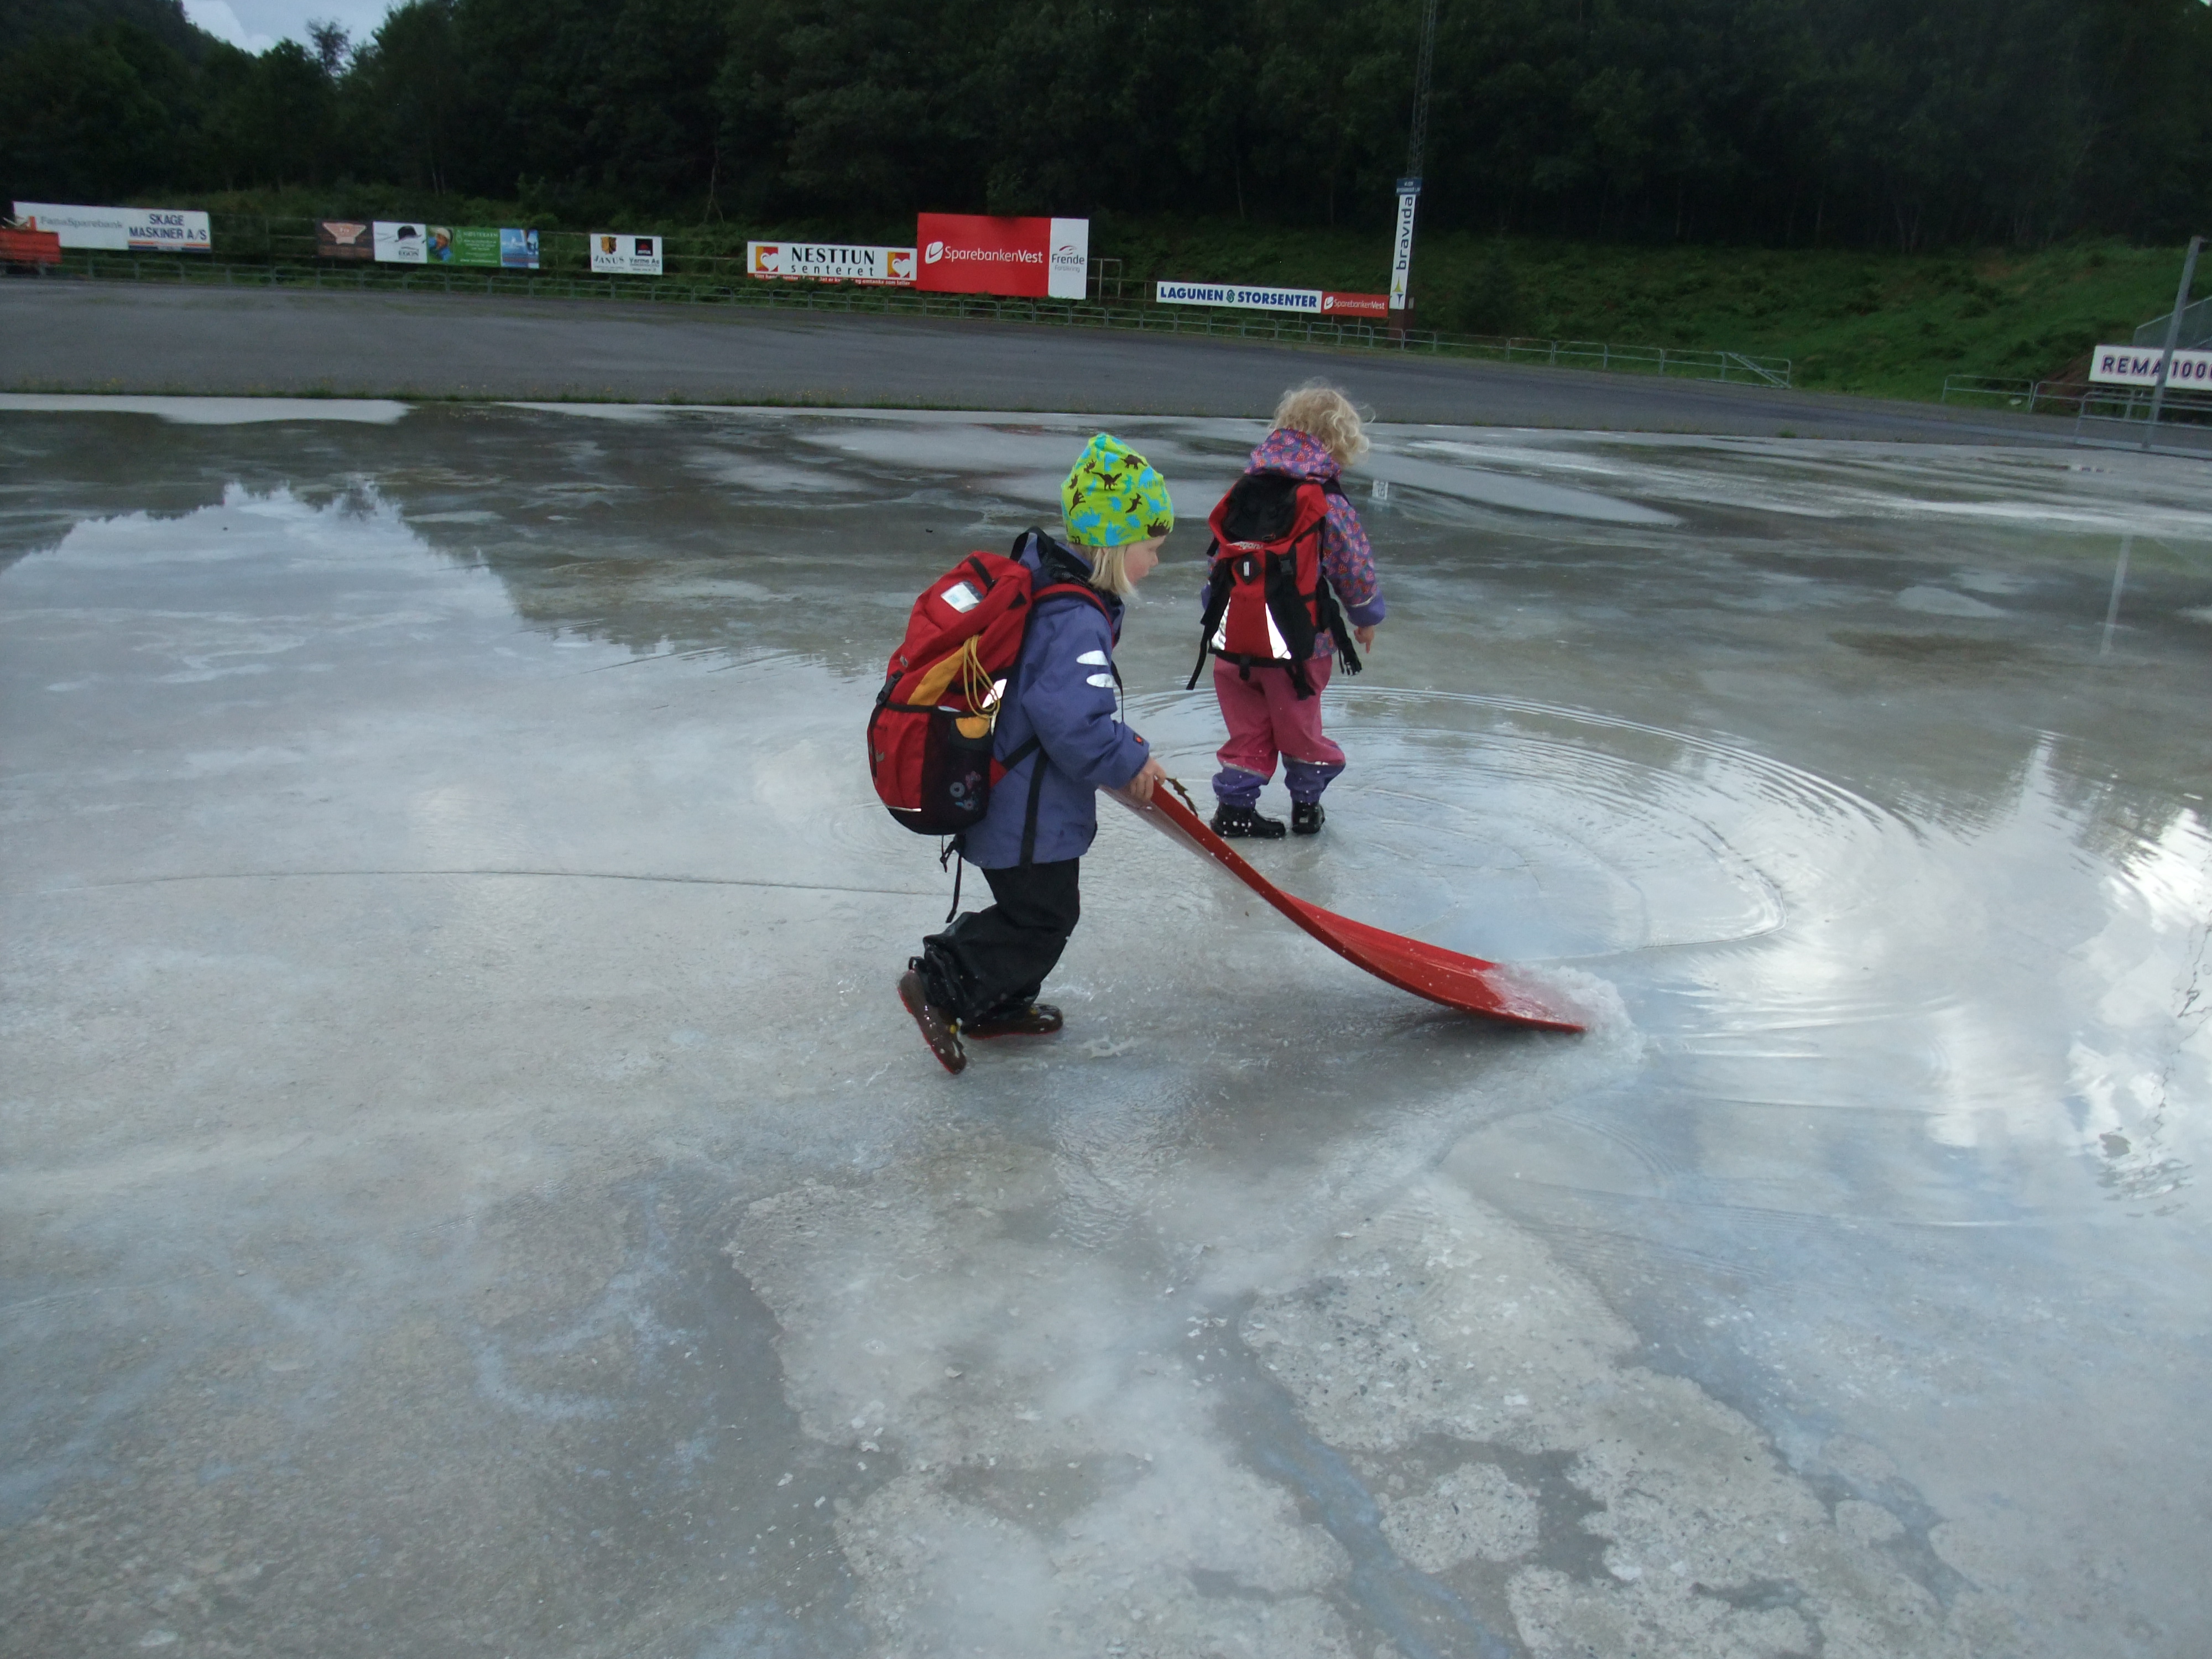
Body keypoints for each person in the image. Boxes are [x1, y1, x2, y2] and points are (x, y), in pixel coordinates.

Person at [897, 434, 1171, 1074]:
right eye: (1150, 549)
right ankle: (941, 983)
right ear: (1113, 546)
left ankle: (994, 1005)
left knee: (1036, 911)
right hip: (1025, 809)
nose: (1156, 562)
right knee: (1043, 917)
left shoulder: (1052, 585)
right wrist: (1132, 759)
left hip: (1010, 796)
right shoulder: (1075, 618)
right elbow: (1074, 725)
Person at [1204, 383, 1385, 839]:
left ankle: (1235, 811)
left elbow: (1217, 563)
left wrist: (1218, 615)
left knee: (1246, 727)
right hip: (1300, 645)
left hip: (1233, 641)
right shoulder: (1323, 499)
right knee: (1299, 727)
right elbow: (1353, 565)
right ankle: (1306, 807)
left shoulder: (1246, 488)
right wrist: (1366, 618)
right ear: (1338, 440)